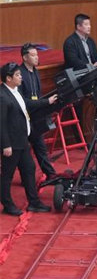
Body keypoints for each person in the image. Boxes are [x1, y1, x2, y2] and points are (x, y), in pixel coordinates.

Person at [1, 62, 57, 215]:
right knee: (7, 175)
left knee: (29, 169)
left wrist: (47, 101)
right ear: (8, 78)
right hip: (12, 144)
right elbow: (1, 124)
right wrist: (5, 145)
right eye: (18, 75)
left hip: (23, 141)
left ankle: (34, 202)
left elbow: (27, 104)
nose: (21, 78)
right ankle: (7, 205)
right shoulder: (2, 96)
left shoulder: (16, 91)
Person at [18, 43, 56, 180]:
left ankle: (50, 174)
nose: (36, 57)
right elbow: (23, 101)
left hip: (35, 116)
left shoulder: (35, 72)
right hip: (22, 118)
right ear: (24, 57)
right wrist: (46, 102)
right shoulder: (19, 74)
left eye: (37, 54)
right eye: (33, 55)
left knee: (40, 147)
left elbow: (37, 95)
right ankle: (24, 178)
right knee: (22, 153)